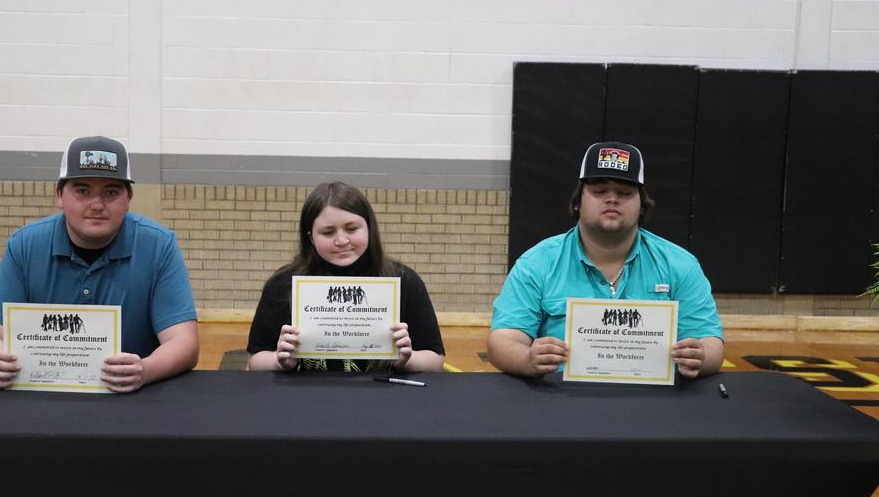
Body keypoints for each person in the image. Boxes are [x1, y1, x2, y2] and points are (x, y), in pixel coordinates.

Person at [0, 135, 199, 392]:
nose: (97, 205)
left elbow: (184, 342)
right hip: (41, 397)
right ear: (59, 195)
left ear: (128, 198)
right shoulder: (25, 245)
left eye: (111, 192)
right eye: (83, 191)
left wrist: (145, 370)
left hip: (132, 400)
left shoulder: (158, 246)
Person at [488, 141, 723, 379]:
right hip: (561, 397)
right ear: (578, 202)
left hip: (654, 398)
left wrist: (700, 357)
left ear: (642, 205)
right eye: (599, 191)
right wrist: (526, 359)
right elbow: (503, 340)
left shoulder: (680, 265)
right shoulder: (537, 263)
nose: (612, 199)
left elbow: (712, 343)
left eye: (625, 193)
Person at [248, 181, 444, 372]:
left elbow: (435, 360)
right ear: (310, 237)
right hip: (305, 392)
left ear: (369, 228)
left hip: (383, 392)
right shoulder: (282, 285)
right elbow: (255, 360)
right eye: (328, 232)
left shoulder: (405, 281)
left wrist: (407, 360)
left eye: (351, 229)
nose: (341, 240)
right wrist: (279, 361)